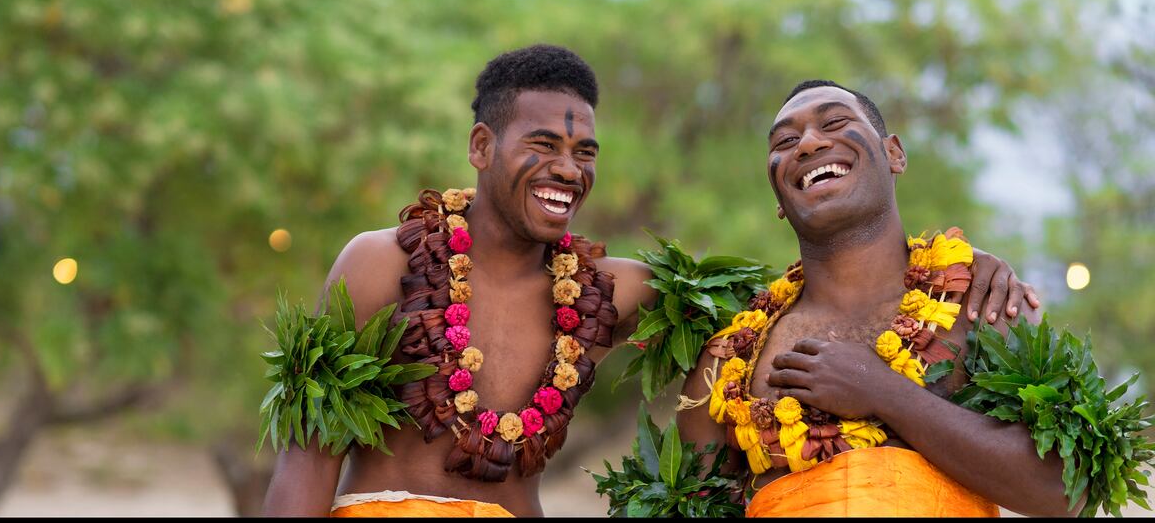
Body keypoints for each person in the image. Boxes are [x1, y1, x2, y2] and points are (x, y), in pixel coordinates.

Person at [261, 50, 1036, 517]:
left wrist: (964, 271)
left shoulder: (617, 290)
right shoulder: (380, 263)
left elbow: (805, 299)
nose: (568, 167)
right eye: (543, 143)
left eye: (585, 150)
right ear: (481, 145)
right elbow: (304, 465)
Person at [677, 79, 1067, 517]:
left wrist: (883, 392)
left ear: (894, 154)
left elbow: (1065, 492)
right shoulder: (728, 363)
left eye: (835, 121)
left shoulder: (983, 303)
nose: (807, 143)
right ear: (779, 198)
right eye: (786, 140)